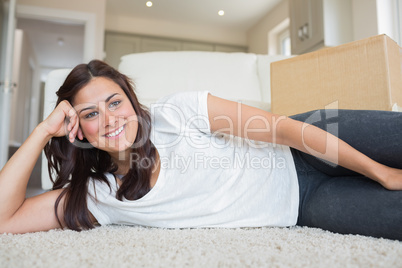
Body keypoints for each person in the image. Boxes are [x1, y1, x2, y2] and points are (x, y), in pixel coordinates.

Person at [0, 60, 401, 240]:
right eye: (90, 113)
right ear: (79, 130)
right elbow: (4, 220)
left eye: (115, 102)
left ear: (131, 100)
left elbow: (284, 129)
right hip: (304, 205)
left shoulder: (179, 111)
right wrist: (42, 131)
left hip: (304, 146)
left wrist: (379, 172)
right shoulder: (101, 196)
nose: (109, 119)